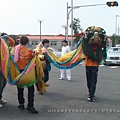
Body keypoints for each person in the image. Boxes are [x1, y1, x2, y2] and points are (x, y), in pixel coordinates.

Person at [15, 36, 38, 113]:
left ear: (20, 41)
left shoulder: (15, 50)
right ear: (27, 42)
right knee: (31, 89)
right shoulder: (29, 51)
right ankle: (30, 105)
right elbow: (34, 60)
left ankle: (21, 104)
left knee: (20, 89)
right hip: (27, 72)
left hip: (18, 72)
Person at [0, 33, 15, 108]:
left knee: (3, 84)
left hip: (5, 68)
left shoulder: (5, 44)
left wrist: (8, 37)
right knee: (0, 84)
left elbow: (12, 43)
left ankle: (0, 98)